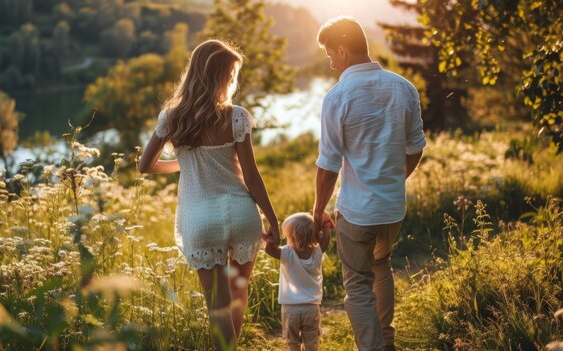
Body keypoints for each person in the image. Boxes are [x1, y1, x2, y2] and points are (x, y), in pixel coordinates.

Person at [138, 39, 279, 351]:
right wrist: (274, 221)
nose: (231, 81)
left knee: (217, 306)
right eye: (229, 75)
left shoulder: (172, 118)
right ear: (218, 76)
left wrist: (184, 163)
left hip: (201, 218)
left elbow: (144, 165)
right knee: (237, 293)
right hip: (242, 212)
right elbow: (252, 177)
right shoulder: (236, 117)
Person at [311, 16, 427, 351]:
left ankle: (373, 348)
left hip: (357, 211)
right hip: (392, 209)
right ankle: (386, 342)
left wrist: (318, 210)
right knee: (381, 265)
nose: (331, 62)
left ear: (344, 51)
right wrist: (394, 179)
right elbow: (416, 148)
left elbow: (328, 165)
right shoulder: (404, 87)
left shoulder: (337, 97)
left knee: (358, 285)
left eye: (331, 54)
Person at [263, 212, 331, 351]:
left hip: (290, 308)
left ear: (291, 237)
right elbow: (325, 242)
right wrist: (326, 229)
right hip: (312, 307)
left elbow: (269, 250)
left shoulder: (287, 253)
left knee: (292, 342)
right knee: (312, 342)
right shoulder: (317, 253)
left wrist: (270, 239)